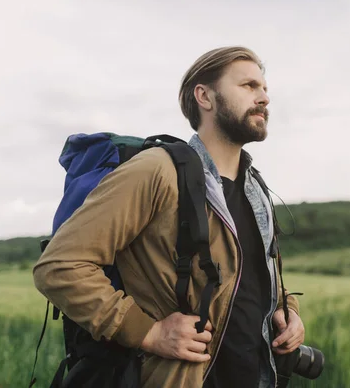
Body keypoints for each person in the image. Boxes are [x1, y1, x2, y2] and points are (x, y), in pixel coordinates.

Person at [33, 46, 305, 388]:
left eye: (264, 88)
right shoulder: (156, 172)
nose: (264, 97)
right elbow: (59, 266)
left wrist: (287, 311)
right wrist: (148, 333)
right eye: (249, 86)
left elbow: (252, 278)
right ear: (205, 96)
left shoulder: (257, 190)